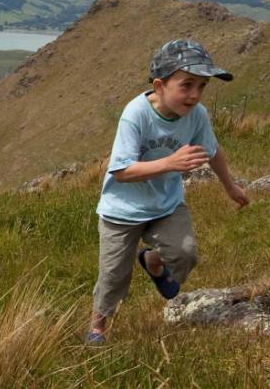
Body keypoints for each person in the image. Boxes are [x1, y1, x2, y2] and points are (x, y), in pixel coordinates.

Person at [85, 39, 250, 344]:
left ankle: (153, 262)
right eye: (186, 85)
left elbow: (212, 151)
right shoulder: (135, 114)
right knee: (113, 276)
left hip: (166, 206)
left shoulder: (197, 115)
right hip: (122, 211)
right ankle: (97, 328)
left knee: (185, 254)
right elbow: (121, 171)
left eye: (202, 86)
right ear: (160, 85)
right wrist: (170, 163)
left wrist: (230, 186)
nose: (195, 95)